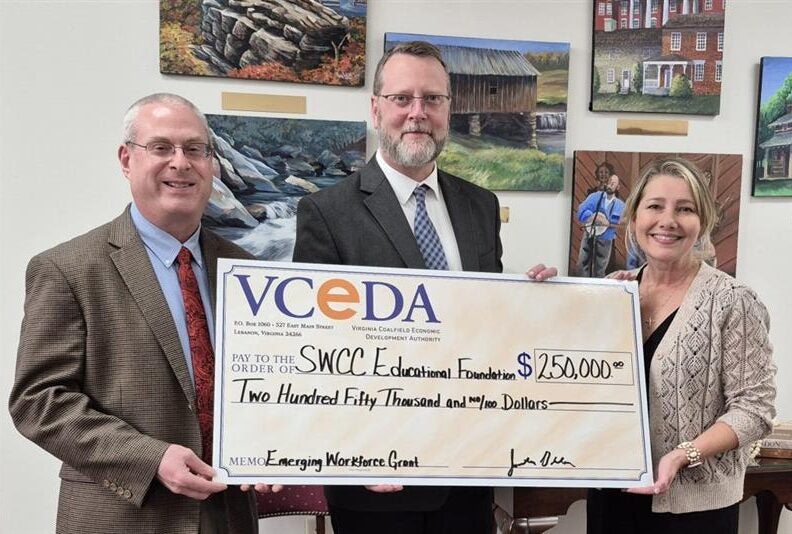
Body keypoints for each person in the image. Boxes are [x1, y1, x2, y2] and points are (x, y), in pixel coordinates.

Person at [292, 41, 556, 534]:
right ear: (376, 108)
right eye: (402, 98)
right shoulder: (328, 212)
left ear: (449, 109)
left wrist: (530, 303)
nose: (418, 113)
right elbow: (314, 351)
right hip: (376, 475)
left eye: (432, 99)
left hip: (468, 465)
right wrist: (352, 450)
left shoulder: (480, 205)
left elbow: (485, 327)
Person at [8, 93, 278, 534]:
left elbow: (273, 383)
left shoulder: (250, 272)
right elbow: (39, 402)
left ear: (213, 164)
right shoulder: (67, 268)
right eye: (161, 148)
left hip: (227, 518)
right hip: (122, 515)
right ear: (126, 159)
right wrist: (152, 460)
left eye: (195, 149)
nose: (180, 162)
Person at [587, 157, 776, 534]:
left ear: (702, 221)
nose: (667, 220)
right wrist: (541, 293)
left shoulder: (733, 300)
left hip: (694, 509)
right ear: (635, 216)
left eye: (685, 209)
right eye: (655, 206)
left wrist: (683, 455)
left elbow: (755, 409)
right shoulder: (610, 294)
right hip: (611, 496)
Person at [576, 172, 625, 277]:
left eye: (614, 183)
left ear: (618, 187)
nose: (610, 185)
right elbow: (581, 210)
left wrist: (610, 224)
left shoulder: (620, 206)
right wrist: (594, 216)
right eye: (609, 182)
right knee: (582, 264)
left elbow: (624, 223)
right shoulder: (595, 197)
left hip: (606, 238)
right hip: (589, 234)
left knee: (600, 268)